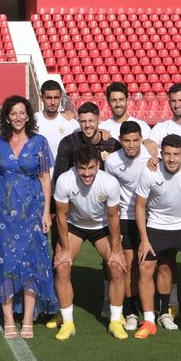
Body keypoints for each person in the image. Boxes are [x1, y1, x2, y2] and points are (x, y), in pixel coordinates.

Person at [0, 95, 57, 338]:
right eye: (13, 113)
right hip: (2, 214)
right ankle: (7, 319)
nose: (18, 117)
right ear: (6, 116)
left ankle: (27, 319)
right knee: (4, 263)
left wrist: (46, 212)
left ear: (28, 116)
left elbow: (46, 178)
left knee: (32, 264)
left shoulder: (39, 142)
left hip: (33, 212)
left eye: (22, 113)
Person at [132, 135, 181, 339]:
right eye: (167, 154)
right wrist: (144, 239)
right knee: (144, 268)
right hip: (157, 226)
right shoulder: (150, 171)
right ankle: (149, 321)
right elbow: (139, 206)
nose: (172, 159)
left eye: (176, 154)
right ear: (161, 154)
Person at [51, 145, 128, 340]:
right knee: (62, 266)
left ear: (98, 165)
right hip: (74, 226)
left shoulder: (109, 183)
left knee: (117, 266)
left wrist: (117, 250)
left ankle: (115, 321)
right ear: (75, 166)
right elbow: (61, 215)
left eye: (91, 168)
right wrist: (65, 249)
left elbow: (113, 217)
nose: (86, 174)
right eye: (82, 168)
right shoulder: (64, 180)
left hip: (101, 227)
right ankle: (68, 322)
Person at [102, 121, 150, 332]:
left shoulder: (151, 156)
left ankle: (155, 309)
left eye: (135, 140)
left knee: (149, 265)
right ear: (120, 141)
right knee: (129, 264)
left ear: (141, 139)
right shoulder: (112, 161)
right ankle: (131, 311)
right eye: (127, 141)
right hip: (124, 218)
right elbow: (110, 192)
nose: (131, 145)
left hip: (151, 218)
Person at [52, 101, 117, 182]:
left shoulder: (112, 145)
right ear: (79, 121)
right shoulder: (68, 143)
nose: (87, 125)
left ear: (99, 120)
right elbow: (60, 178)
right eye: (83, 121)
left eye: (91, 121)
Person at [35, 80, 76, 159]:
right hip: (39, 171)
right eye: (48, 98)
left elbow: (88, 133)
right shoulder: (32, 121)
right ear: (41, 98)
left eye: (56, 98)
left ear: (61, 97)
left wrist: (102, 131)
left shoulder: (70, 123)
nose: (53, 102)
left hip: (62, 171)